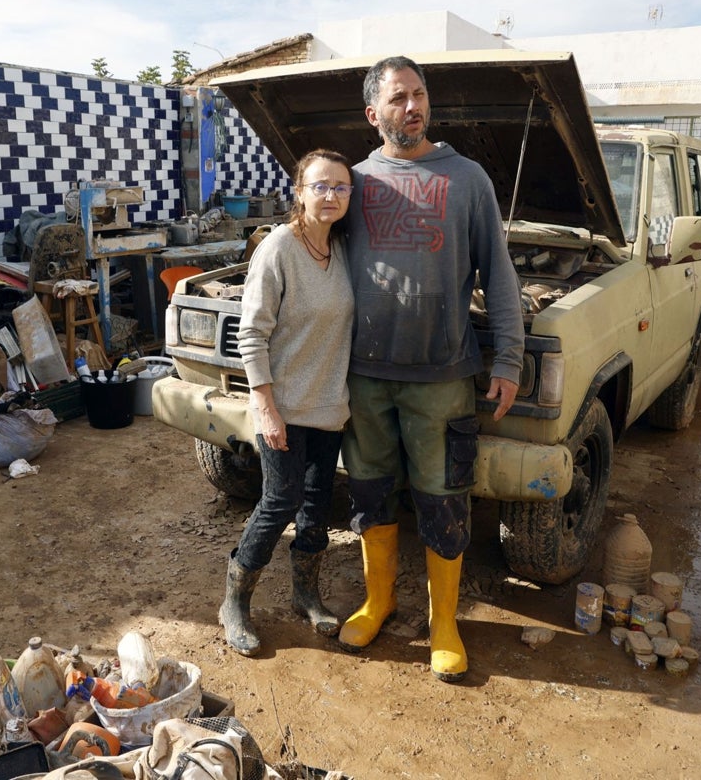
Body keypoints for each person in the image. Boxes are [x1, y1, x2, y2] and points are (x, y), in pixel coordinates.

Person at [337, 56, 525, 682]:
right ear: (374, 114)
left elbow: (499, 274)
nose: (410, 107)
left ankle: (445, 621)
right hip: (364, 376)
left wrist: (508, 356)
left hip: (442, 375)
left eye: (418, 95)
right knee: (369, 490)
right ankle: (379, 599)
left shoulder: (467, 178)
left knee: (444, 498)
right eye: (397, 99)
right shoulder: (353, 183)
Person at [219, 149, 356, 656]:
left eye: (341, 187)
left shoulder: (342, 249)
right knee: (279, 501)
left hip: (329, 407)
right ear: (299, 191)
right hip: (283, 406)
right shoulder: (278, 248)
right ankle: (234, 601)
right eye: (320, 186)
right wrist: (266, 407)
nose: (331, 196)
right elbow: (250, 334)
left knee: (318, 506)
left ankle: (306, 593)